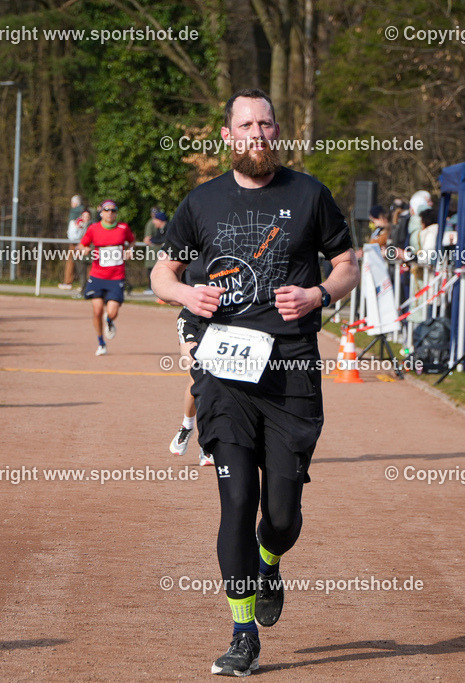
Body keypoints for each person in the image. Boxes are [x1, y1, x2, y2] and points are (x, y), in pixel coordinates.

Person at [151, 88, 358, 676]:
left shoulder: (309, 194)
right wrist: (188, 292)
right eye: (246, 125)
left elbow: (347, 262)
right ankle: (243, 632)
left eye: (266, 124)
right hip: (226, 377)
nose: (258, 134)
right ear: (228, 136)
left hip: (291, 373)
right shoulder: (202, 203)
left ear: (276, 132)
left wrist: (319, 293)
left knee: (282, 516)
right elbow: (162, 273)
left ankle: (270, 559)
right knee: (237, 501)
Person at [169, 256, 214, 467]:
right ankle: (187, 426)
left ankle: (208, 445)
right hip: (192, 320)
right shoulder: (189, 250)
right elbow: (167, 277)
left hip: (222, 322)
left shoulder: (231, 249)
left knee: (217, 385)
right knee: (198, 379)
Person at [80, 199, 135, 356]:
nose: (110, 213)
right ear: (101, 212)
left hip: (116, 277)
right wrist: (84, 249)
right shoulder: (94, 228)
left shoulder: (123, 228)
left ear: (116, 213)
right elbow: (82, 244)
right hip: (97, 276)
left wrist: (130, 250)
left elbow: (132, 241)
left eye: (113, 210)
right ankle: (101, 343)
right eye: (107, 210)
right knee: (96, 310)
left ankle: (109, 321)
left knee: (113, 312)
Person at [60, 194, 85, 290]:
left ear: (75, 203)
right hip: (83, 241)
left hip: (76, 241)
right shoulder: (85, 211)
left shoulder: (73, 212)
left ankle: (68, 282)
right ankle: (84, 283)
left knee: (71, 261)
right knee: (83, 262)